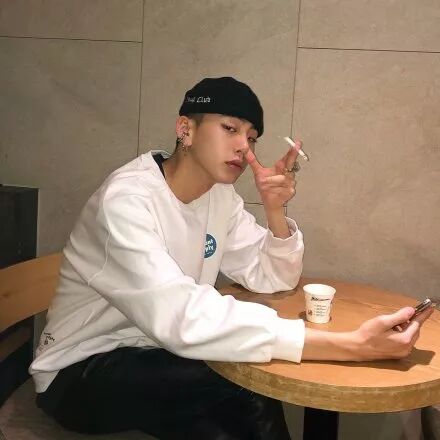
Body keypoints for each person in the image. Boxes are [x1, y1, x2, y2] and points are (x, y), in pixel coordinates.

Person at [30, 77, 433, 440]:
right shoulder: (127, 201)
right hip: (81, 370)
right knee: (245, 382)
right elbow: (182, 316)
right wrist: (348, 345)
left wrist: (275, 211)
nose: (244, 146)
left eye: (252, 137)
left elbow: (272, 276)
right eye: (230, 129)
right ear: (185, 129)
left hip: (160, 353)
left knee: (229, 418)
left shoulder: (219, 196)